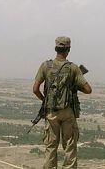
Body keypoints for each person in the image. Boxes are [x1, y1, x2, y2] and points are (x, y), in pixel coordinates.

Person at [33, 36, 92, 169]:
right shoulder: (73, 68)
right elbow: (88, 90)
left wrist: (46, 101)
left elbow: (35, 89)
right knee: (70, 147)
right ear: (68, 50)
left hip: (51, 112)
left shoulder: (45, 66)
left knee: (50, 147)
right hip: (67, 112)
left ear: (56, 48)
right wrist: (74, 86)